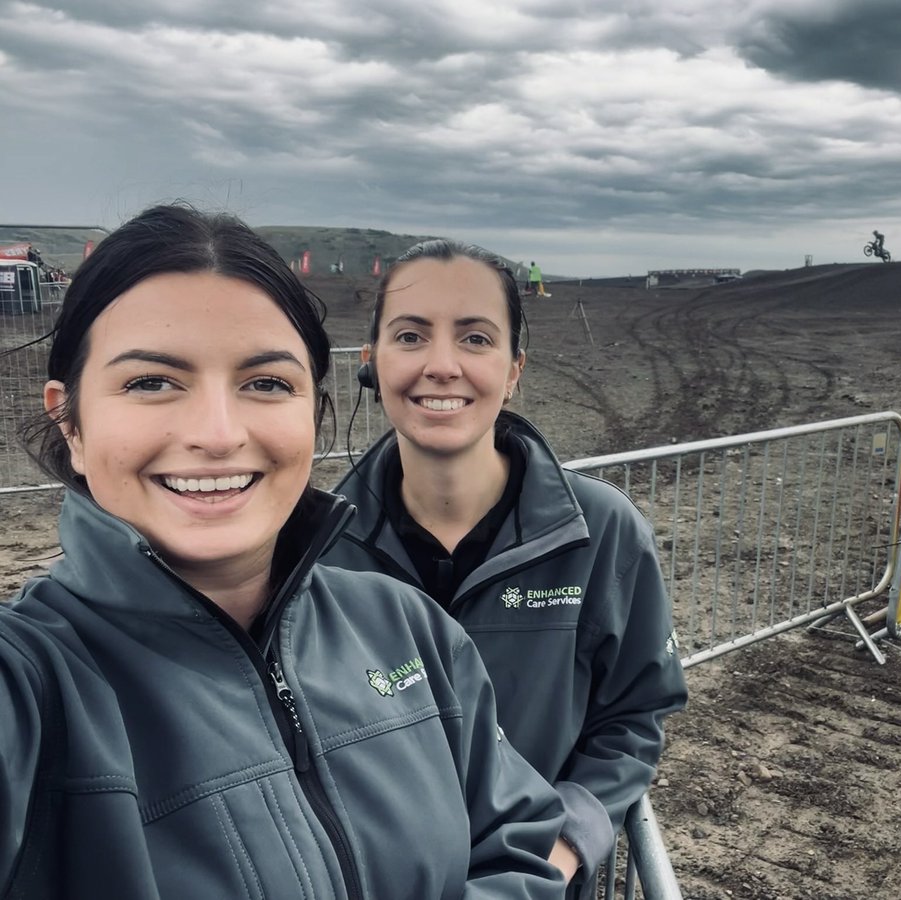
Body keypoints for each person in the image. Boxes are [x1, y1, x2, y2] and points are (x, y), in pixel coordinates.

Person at [0, 205, 568, 898]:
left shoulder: (409, 631)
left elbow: (518, 847)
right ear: (72, 422)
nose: (217, 433)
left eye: (266, 383)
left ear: (314, 415)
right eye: (151, 382)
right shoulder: (31, 686)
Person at [325, 239, 688, 894]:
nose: (441, 365)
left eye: (475, 338)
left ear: (514, 367)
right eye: (410, 336)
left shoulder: (601, 533)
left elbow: (635, 716)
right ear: (372, 362)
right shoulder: (315, 548)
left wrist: (569, 835)